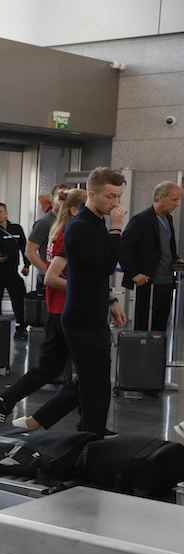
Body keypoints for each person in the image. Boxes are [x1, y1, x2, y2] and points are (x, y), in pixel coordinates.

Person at [0, 190, 86, 427]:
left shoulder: (59, 229)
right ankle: (78, 422)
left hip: (59, 308)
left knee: (51, 367)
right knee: (86, 370)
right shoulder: (62, 231)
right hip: (66, 307)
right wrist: (49, 274)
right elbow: (35, 255)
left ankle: (8, 400)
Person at [63, 167, 128, 436]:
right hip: (80, 316)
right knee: (92, 382)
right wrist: (116, 229)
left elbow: (96, 275)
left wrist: (111, 300)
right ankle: (90, 433)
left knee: (99, 381)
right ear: (92, 193)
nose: (115, 204)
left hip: (93, 311)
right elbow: (103, 266)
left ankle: (94, 429)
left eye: (118, 197)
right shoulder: (80, 227)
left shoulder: (95, 224)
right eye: (110, 197)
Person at [120, 181, 182, 332]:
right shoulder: (140, 220)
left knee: (160, 325)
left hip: (167, 281)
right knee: (144, 325)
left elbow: (166, 247)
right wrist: (133, 273)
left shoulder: (168, 219)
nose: (178, 204)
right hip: (148, 282)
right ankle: (142, 355)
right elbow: (123, 249)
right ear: (160, 197)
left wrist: (176, 259)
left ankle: (157, 353)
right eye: (174, 199)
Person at [0, 202, 30, 338]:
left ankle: (21, 327)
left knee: (18, 299)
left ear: (6, 213)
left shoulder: (16, 229)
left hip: (13, 271)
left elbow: (24, 247)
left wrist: (27, 265)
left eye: (0, 211)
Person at [28, 185, 67, 291]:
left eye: (65, 197)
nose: (62, 200)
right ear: (52, 198)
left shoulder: (68, 220)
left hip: (64, 278)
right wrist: (48, 271)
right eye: (59, 196)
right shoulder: (44, 223)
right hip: (48, 280)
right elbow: (30, 252)